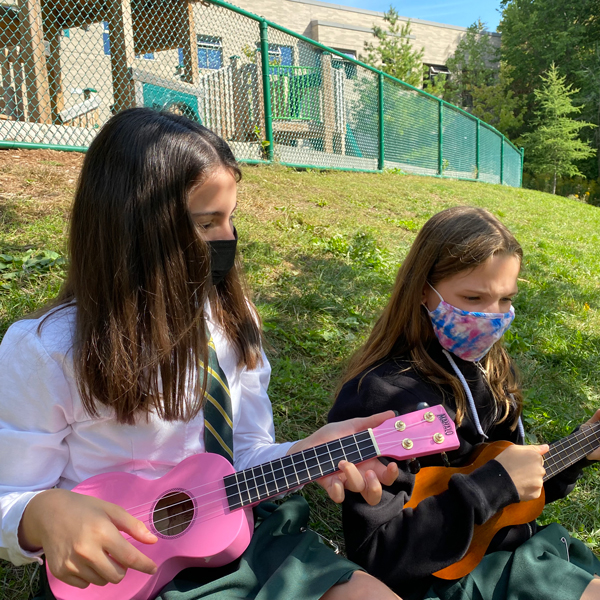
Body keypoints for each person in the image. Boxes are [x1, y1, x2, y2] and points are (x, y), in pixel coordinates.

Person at [0, 108, 401, 600]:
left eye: (230, 218)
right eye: (207, 222)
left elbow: (241, 456)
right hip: (122, 572)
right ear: (135, 230)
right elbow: (9, 495)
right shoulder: (46, 350)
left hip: (242, 541)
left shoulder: (231, 319)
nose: (227, 238)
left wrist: (304, 454)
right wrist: (43, 514)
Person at [328, 206, 600, 600]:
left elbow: (517, 492)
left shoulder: (491, 368)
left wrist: (583, 446)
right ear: (423, 289)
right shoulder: (380, 397)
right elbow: (379, 554)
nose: (492, 317)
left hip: (524, 550)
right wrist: (496, 484)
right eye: (473, 297)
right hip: (454, 580)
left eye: (506, 299)